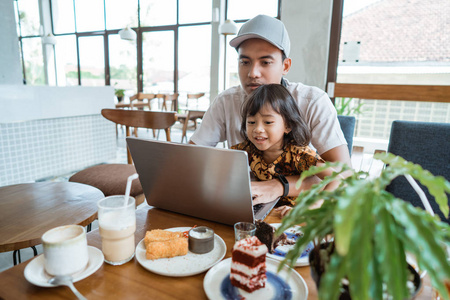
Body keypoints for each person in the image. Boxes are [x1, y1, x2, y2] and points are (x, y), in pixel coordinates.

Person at [190, 14, 350, 205]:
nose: (252, 73)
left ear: (285, 66)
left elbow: (345, 175)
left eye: (265, 62)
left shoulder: (312, 101)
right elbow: (191, 158)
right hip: (240, 203)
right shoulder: (226, 101)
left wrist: (279, 185)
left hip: (293, 207)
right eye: (245, 62)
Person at [232, 84, 340, 215]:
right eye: (251, 122)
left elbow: (337, 179)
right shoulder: (246, 150)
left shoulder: (300, 154)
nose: (257, 129)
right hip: (268, 210)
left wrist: (315, 205)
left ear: (287, 126)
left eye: (268, 122)